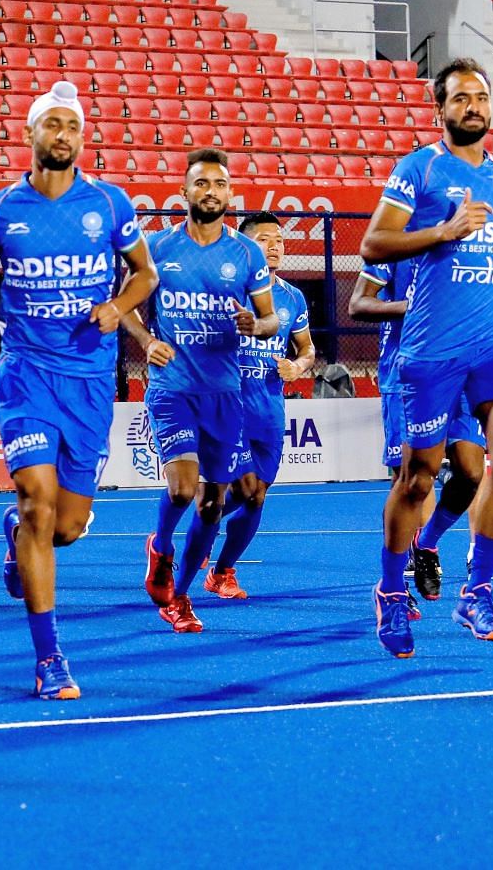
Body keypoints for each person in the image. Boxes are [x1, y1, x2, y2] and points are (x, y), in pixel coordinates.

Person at [0, 80, 157, 699]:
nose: (63, 135)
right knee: (40, 501)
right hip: (25, 375)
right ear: (31, 133)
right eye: (53, 124)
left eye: (72, 126)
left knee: (64, 526)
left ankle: (17, 535)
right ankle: (49, 659)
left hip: (92, 383)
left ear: (82, 138)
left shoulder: (112, 204)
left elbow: (145, 274)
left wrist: (118, 305)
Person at [360, 58, 493, 658]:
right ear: (440, 110)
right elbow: (373, 244)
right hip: (431, 349)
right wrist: (443, 231)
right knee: (416, 480)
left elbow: (491, 254)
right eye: (460, 98)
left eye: (481, 97)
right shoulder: (418, 170)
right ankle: (389, 591)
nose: (473, 106)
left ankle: (478, 590)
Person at [124, 148, 277, 635]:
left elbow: (270, 319)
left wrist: (257, 323)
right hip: (172, 389)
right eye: (201, 183)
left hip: (225, 395)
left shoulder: (246, 253)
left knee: (213, 503)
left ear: (230, 193)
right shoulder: (157, 248)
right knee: (183, 488)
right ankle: (162, 546)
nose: (211, 191)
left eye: (220, 184)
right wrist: (147, 341)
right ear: (184, 192)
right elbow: (123, 304)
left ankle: (182, 596)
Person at [348, 258, 484, 612]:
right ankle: (394, 584)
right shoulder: (393, 245)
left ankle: (426, 544)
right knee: (413, 481)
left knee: (471, 471)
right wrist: (412, 306)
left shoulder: (466, 244)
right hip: (407, 373)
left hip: (462, 369)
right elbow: (358, 305)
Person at [193, 211, 315, 599]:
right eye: (265, 239)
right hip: (229, 407)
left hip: (270, 410)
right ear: (246, 246)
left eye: (279, 239)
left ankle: (221, 570)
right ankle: (203, 533)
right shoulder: (224, 290)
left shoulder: (293, 298)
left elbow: (308, 349)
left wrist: (297, 365)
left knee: (256, 496)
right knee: (239, 488)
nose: (275, 246)